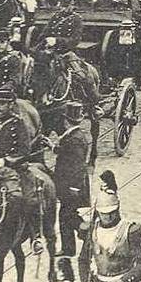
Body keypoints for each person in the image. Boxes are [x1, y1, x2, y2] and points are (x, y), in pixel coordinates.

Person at [52, 101, 91, 258]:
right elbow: (65, 153)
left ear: (66, 121)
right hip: (69, 185)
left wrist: (74, 187)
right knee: (67, 215)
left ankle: (87, 234)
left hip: (72, 186)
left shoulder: (75, 139)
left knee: (67, 215)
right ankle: (70, 248)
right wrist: (53, 147)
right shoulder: (74, 136)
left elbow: (76, 165)